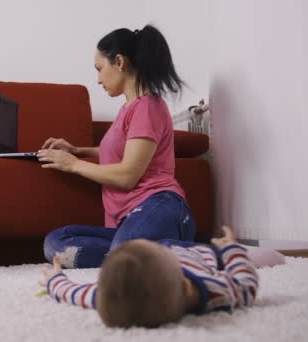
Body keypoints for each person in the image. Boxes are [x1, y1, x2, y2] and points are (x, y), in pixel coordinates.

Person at [37, 24, 195, 269]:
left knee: (125, 250)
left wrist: (73, 165)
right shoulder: (127, 109)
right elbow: (122, 152)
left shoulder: (148, 106)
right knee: (56, 243)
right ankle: (139, 255)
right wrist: (78, 150)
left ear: (119, 62)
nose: (98, 79)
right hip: (129, 221)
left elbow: (127, 175)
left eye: (100, 69)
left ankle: (212, 254)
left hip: (159, 205)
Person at [38, 226, 271, 328]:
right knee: (204, 249)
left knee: (153, 245)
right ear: (186, 286)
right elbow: (247, 284)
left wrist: (54, 280)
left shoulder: (111, 297)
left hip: (166, 249)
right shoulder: (214, 290)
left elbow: (73, 293)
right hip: (201, 256)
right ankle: (243, 250)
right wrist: (232, 251)